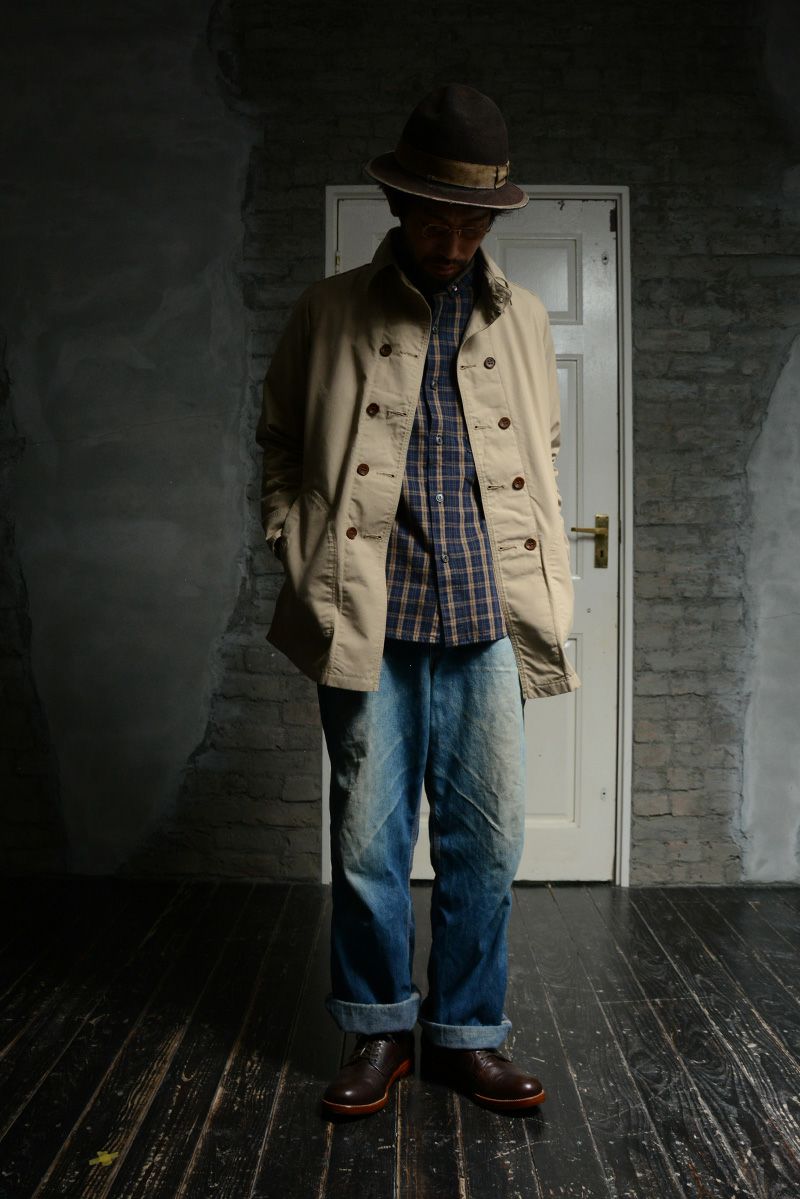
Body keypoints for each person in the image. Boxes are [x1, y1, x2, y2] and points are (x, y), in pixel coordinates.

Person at [257, 83, 579, 1117]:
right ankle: (377, 1031)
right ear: (398, 204)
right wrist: (292, 537)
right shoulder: (328, 310)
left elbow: (542, 446)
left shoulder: (523, 319)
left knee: (487, 846)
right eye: (437, 219)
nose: (454, 241)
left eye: (473, 223)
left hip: (487, 619)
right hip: (368, 616)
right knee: (368, 845)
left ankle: (468, 1036)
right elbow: (279, 439)